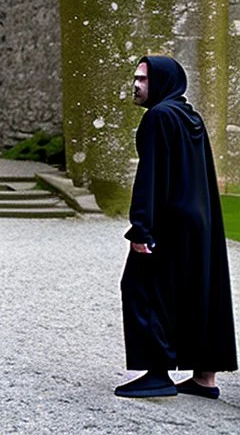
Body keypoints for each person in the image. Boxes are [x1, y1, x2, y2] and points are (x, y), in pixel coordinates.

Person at [115, 55, 237, 398]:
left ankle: (157, 373)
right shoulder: (189, 116)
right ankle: (204, 378)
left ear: (163, 82)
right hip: (199, 220)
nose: (135, 85)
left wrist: (141, 228)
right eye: (135, 78)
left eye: (142, 79)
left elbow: (151, 176)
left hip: (169, 221)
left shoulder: (159, 116)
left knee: (141, 288)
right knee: (201, 291)